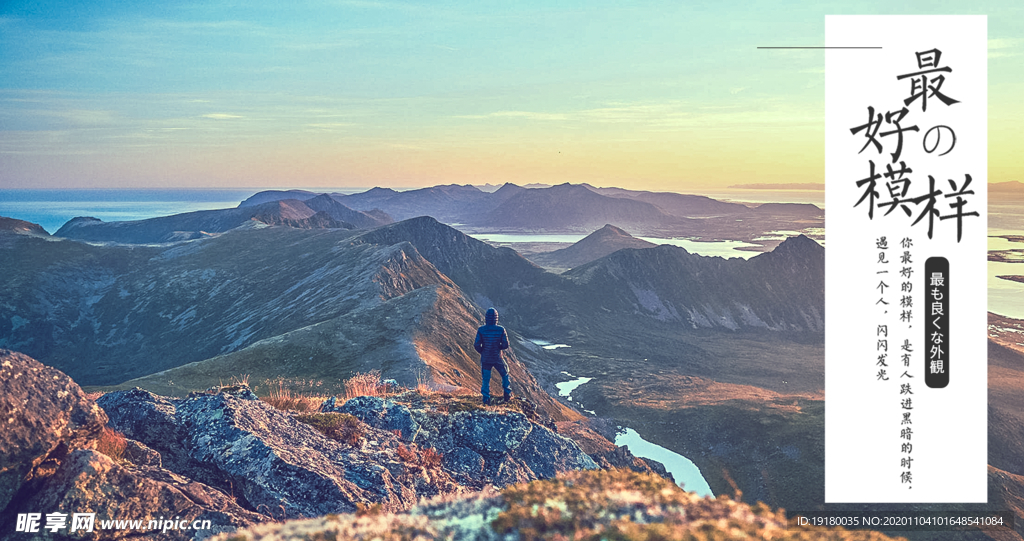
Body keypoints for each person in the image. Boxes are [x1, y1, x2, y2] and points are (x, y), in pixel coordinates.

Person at [474, 307, 512, 404]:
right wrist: (498, 347)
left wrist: (483, 351)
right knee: (505, 373)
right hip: (497, 357)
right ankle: (507, 393)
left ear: (486, 317)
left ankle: (486, 398)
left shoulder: (481, 329)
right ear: (496, 318)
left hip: (486, 358)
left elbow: (477, 345)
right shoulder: (501, 330)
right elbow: (506, 345)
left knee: (486, 378)